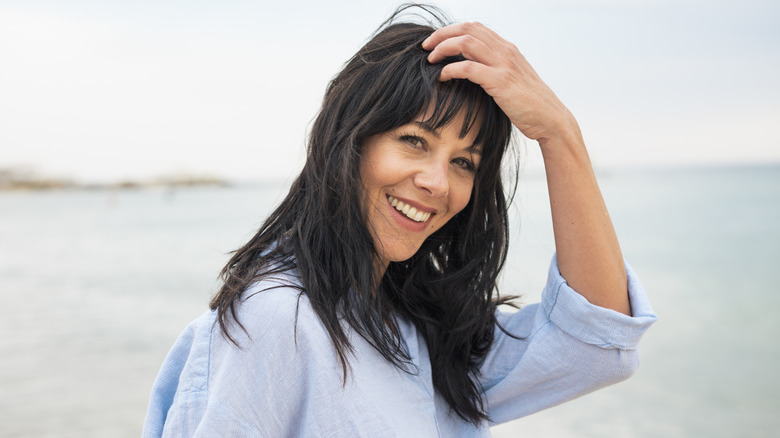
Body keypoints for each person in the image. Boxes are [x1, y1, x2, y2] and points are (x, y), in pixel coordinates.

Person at [142, 5, 656, 437]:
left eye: (464, 162)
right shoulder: (277, 319)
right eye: (414, 141)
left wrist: (559, 134)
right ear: (352, 139)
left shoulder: (417, 326)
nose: (437, 182)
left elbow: (594, 342)